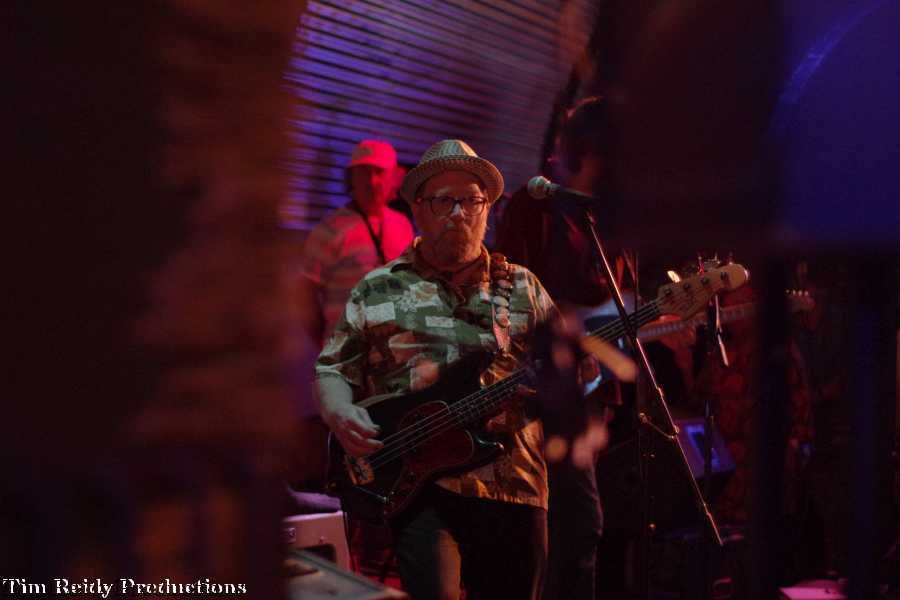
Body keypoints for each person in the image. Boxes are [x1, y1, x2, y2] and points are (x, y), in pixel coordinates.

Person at [315, 139, 556, 600]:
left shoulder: (524, 287)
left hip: (513, 485)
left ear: (488, 210)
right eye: (444, 200)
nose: (459, 213)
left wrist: (572, 380)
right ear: (419, 209)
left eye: (471, 200)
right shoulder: (377, 288)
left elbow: (570, 375)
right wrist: (339, 411)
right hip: (420, 489)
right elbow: (332, 370)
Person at [297, 139, 415, 347]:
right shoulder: (329, 229)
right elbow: (305, 294)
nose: (372, 181)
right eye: (363, 173)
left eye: (379, 172)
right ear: (351, 178)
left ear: (394, 177)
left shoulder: (403, 226)